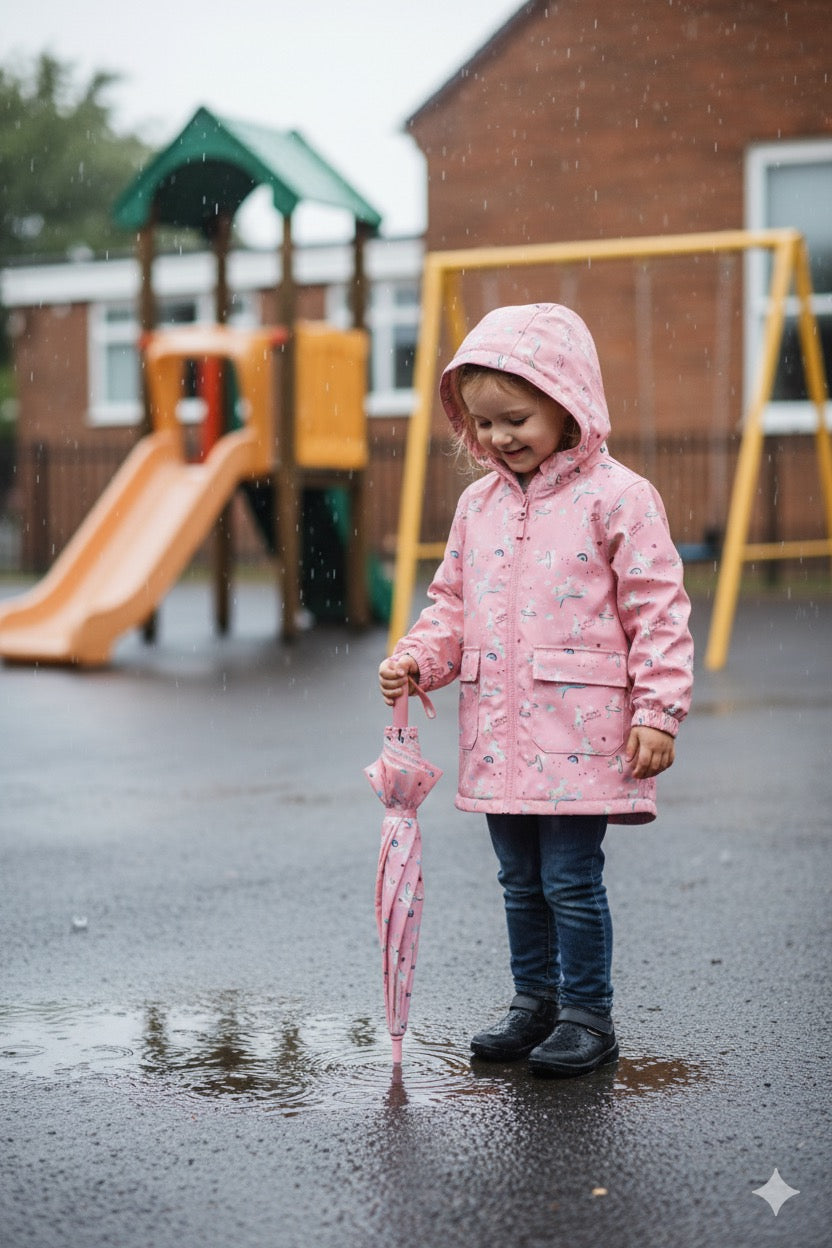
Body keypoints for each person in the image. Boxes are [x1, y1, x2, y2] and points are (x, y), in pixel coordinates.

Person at [378, 303, 694, 1078]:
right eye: (483, 425)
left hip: (580, 732)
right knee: (519, 880)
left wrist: (657, 712)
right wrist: (420, 657)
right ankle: (534, 1002)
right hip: (500, 733)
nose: (498, 439)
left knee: (570, 882)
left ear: (568, 404)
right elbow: (452, 604)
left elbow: (657, 610)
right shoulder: (476, 507)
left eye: (515, 418)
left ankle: (587, 1014)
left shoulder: (618, 498)